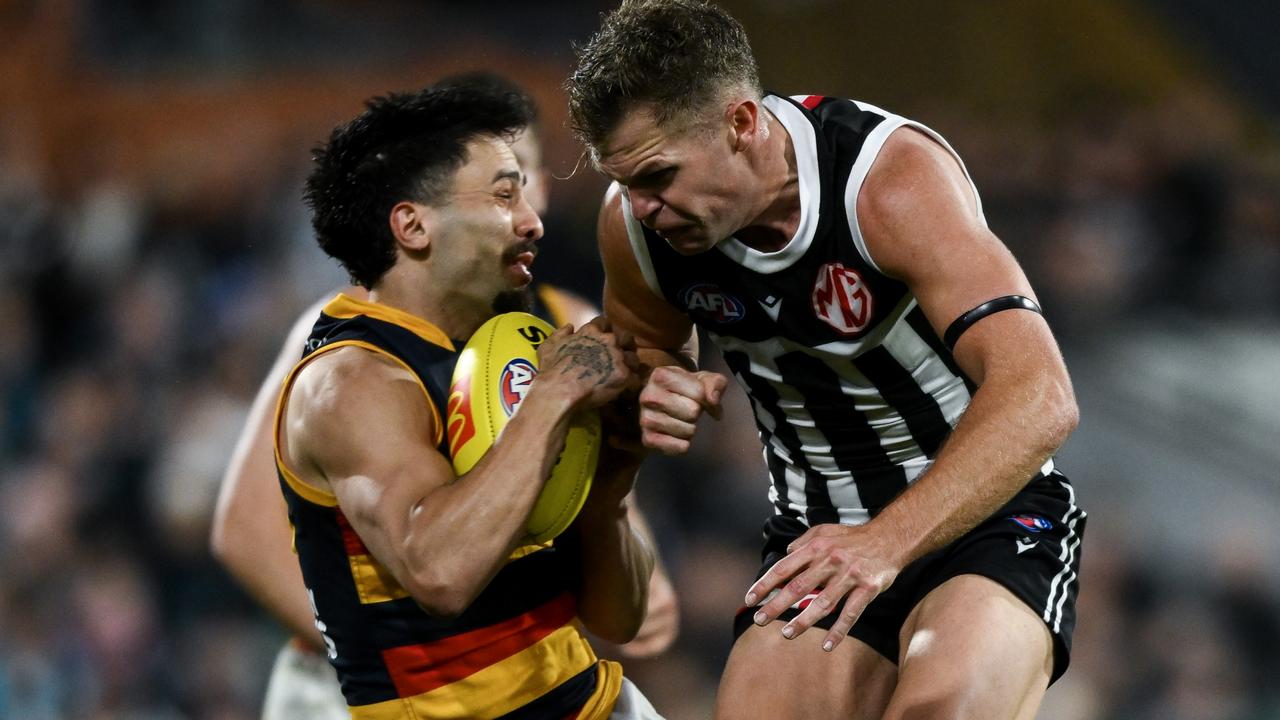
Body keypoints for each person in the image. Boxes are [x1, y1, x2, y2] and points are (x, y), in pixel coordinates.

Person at [566, 2, 1086, 719]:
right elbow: (646, 355)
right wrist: (655, 388)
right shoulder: (633, 228)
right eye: (625, 182)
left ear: (741, 124)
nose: (643, 206)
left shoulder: (887, 181)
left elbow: (1041, 395)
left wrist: (885, 541)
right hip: (817, 533)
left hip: (984, 514)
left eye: (657, 176)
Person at [210, 73, 678, 720]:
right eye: (502, 195)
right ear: (413, 225)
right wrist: (550, 400)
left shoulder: (518, 343)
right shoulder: (348, 381)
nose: (532, 222)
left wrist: (613, 479)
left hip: (596, 702)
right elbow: (439, 575)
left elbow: (617, 617)